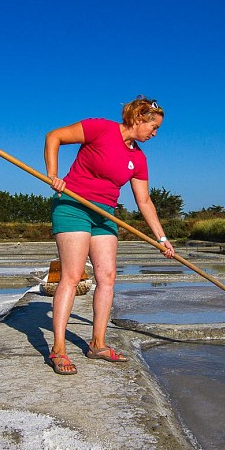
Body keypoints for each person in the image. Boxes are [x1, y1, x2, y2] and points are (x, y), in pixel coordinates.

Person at [43, 95, 175, 375]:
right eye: (154, 127)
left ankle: (97, 344)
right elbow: (53, 136)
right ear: (138, 119)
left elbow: (145, 201)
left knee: (108, 277)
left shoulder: (138, 158)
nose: (155, 134)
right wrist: (53, 175)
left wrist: (162, 239)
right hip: (73, 205)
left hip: (105, 214)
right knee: (72, 274)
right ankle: (58, 348)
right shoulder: (100, 128)